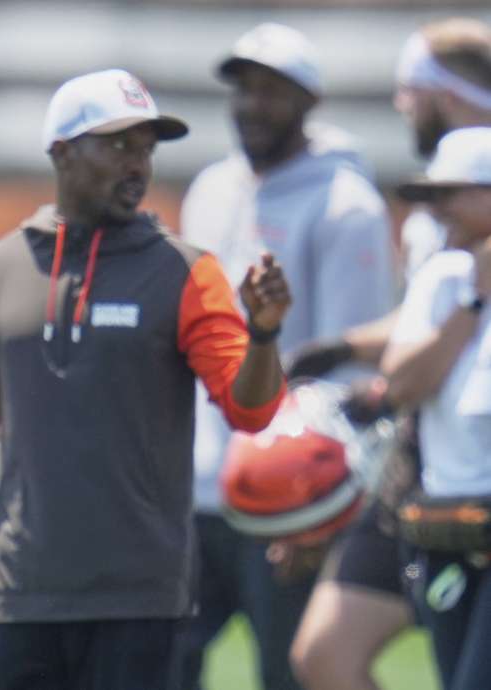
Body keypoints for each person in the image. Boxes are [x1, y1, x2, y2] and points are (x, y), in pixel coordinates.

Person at [0, 68, 293, 690]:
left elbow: (251, 411)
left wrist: (262, 335)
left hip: (141, 600)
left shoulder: (187, 273)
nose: (139, 164)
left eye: (147, 148)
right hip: (19, 592)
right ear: (62, 153)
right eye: (119, 145)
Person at [175, 23, 397, 690]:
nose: (251, 105)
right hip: (199, 486)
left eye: (271, 91)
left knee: (289, 675)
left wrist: (317, 511)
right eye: (243, 89)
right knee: (158, 663)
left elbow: (346, 366)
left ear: (309, 101)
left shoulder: (347, 204)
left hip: (286, 497)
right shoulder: (212, 186)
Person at [290, 19, 491, 690]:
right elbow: (419, 331)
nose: (402, 105)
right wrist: (342, 350)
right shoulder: (443, 228)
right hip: (426, 463)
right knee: (325, 654)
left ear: (447, 93)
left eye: (411, 91)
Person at [382, 126, 491, 690]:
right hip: (447, 530)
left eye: (453, 195)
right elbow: (401, 383)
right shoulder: (442, 279)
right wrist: (473, 300)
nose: (438, 211)